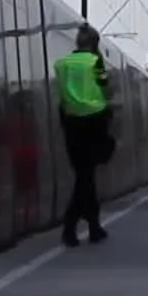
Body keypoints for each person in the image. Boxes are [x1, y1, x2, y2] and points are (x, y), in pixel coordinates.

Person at [55, 24, 114, 247]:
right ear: (93, 44)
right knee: (85, 179)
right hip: (93, 125)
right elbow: (106, 89)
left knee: (85, 177)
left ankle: (94, 226)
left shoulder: (64, 64)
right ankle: (70, 227)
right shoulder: (95, 62)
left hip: (71, 126)